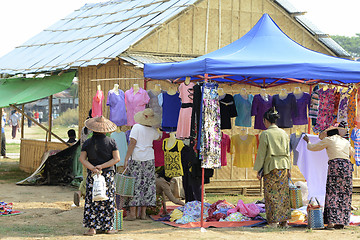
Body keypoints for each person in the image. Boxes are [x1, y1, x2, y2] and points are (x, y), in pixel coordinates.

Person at [303, 125, 354, 229]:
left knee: (333, 192)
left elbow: (312, 148)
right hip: (347, 166)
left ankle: (331, 222)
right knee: (344, 194)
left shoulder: (328, 140)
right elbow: (352, 152)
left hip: (335, 166)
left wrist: (308, 141)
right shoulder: (345, 141)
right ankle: (341, 221)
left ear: (328, 133)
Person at [79, 115, 120, 236]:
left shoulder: (87, 142)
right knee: (108, 199)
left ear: (93, 129)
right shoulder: (111, 141)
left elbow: (82, 159)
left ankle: (92, 229)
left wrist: (93, 168)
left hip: (93, 176)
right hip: (107, 175)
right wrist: (102, 166)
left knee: (92, 200)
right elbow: (116, 159)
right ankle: (108, 227)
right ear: (106, 130)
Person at [253, 107, 291, 228]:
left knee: (271, 194)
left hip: (271, 166)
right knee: (283, 194)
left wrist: (259, 170)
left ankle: (273, 221)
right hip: (284, 165)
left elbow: (262, 153)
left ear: (265, 120)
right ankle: (284, 221)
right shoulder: (284, 133)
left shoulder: (265, 134)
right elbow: (288, 151)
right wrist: (289, 169)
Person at [124, 108, 162, 220]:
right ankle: (143, 213)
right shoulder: (153, 130)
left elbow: (132, 143)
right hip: (149, 158)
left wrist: (126, 158)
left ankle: (132, 213)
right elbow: (159, 137)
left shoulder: (136, 127)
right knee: (147, 184)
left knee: (134, 184)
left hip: (137, 158)